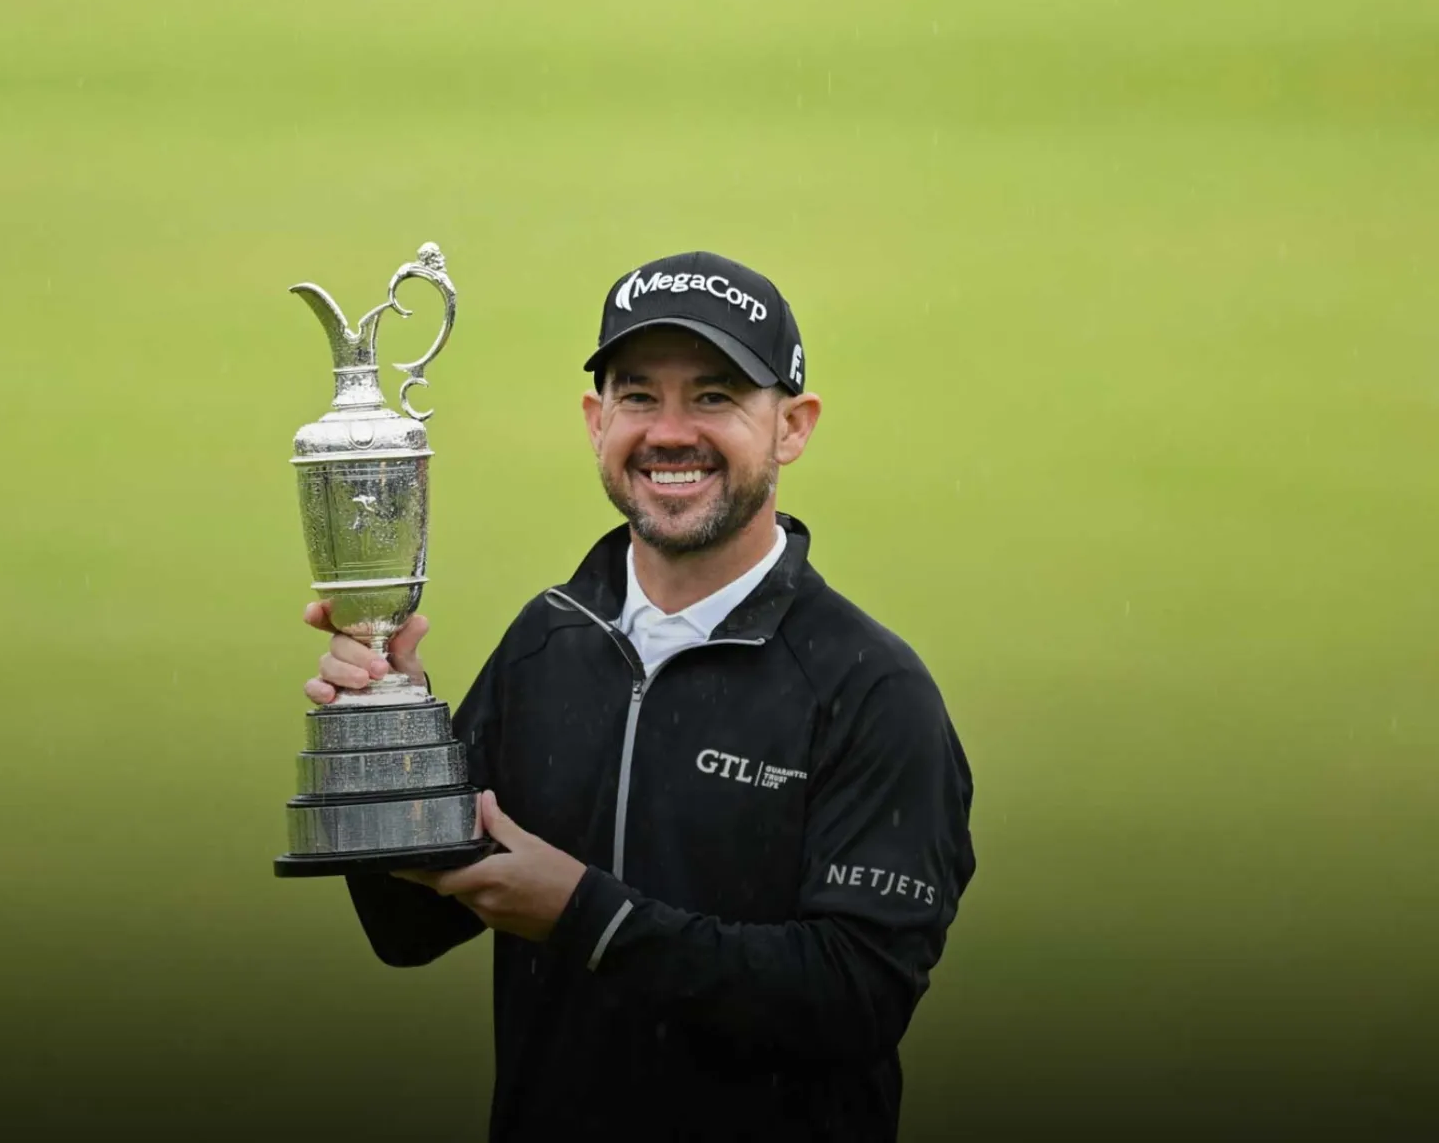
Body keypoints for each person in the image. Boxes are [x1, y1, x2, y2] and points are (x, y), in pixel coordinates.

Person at [302, 250, 976, 1142]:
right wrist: (392, 743)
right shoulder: (548, 643)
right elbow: (408, 929)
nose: (670, 432)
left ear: (792, 426)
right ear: (596, 421)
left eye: (714, 397)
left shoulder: (871, 690)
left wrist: (588, 917)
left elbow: (856, 996)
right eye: (638, 396)